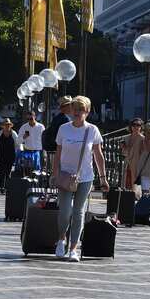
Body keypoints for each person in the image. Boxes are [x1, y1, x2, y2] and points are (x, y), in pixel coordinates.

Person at [52, 96, 108, 261]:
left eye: (81, 110)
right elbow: (58, 153)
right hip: (65, 176)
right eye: (75, 109)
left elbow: (98, 155)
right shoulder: (64, 129)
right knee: (65, 211)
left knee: (78, 212)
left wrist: (103, 178)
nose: (77, 112)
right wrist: (55, 174)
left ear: (87, 112)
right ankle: (61, 239)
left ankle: (73, 248)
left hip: (85, 176)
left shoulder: (92, 130)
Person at [0, 118, 18, 193]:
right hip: (1, 155)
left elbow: (18, 143)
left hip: (10, 156)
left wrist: (20, 150)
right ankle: (2, 187)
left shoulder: (13, 133)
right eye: (5, 125)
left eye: (8, 125)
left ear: (10, 126)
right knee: (1, 172)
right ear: (3, 126)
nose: (7, 126)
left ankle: (7, 187)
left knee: (8, 172)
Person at [122, 118, 144, 189]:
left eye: (138, 125)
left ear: (141, 127)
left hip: (137, 166)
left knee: (136, 187)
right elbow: (124, 153)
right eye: (134, 125)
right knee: (127, 185)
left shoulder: (143, 139)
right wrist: (123, 147)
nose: (136, 127)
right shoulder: (126, 138)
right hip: (127, 164)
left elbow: (143, 154)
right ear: (131, 126)